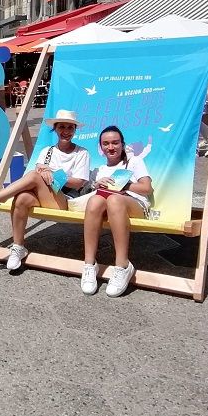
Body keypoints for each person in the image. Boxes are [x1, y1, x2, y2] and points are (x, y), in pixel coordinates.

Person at [0, 109, 90, 270]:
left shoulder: (81, 153)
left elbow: (78, 183)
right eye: (62, 127)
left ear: (75, 130)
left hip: (66, 200)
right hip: (45, 196)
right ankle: (18, 248)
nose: (66, 131)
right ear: (56, 129)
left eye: (70, 128)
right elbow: (39, 171)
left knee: (33, 175)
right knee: (22, 198)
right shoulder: (48, 151)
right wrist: (44, 173)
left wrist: (52, 174)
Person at [80, 126, 153, 298]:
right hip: (108, 208)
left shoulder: (134, 161)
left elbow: (147, 188)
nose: (111, 147)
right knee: (95, 199)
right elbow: (84, 193)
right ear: (100, 147)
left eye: (115, 143)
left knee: (114, 199)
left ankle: (122, 265)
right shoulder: (99, 170)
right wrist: (96, 185)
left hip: (134, 204)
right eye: (106, 144)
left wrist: (123, 185)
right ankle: (89, 264)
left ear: (122, 144)